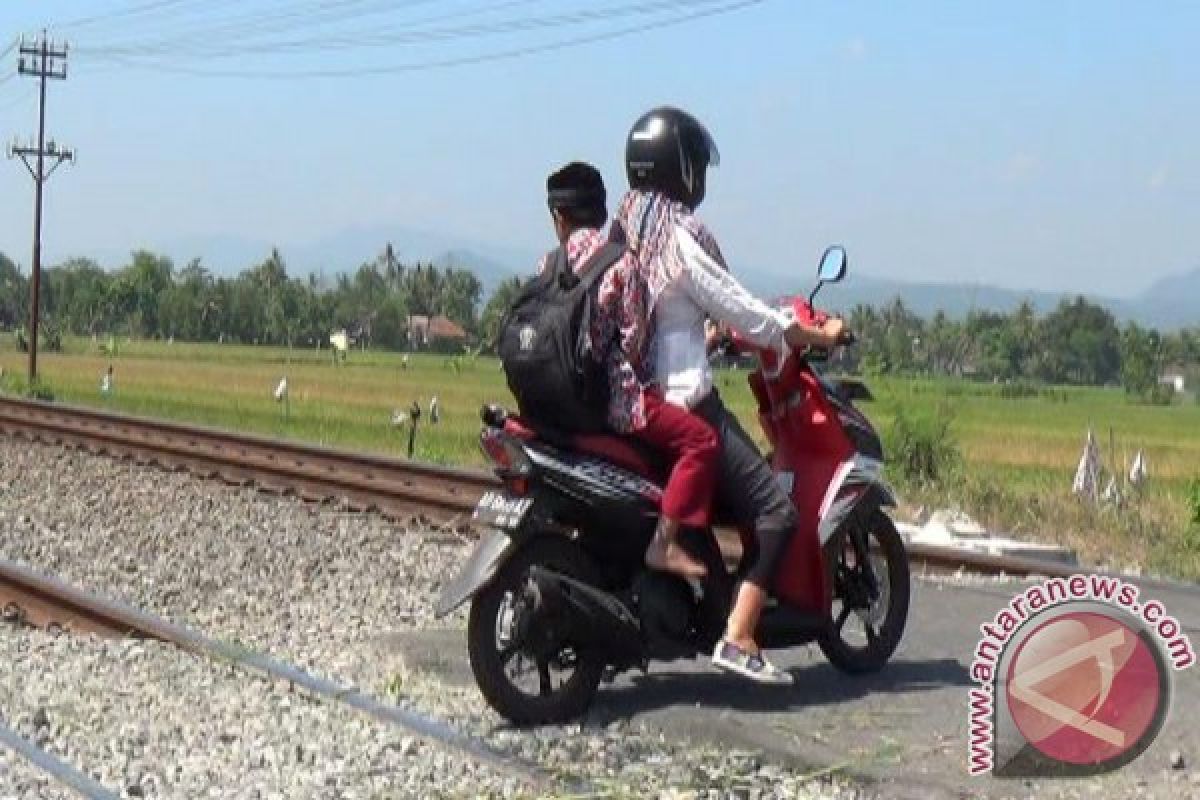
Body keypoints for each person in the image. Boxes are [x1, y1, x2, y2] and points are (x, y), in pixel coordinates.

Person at [613, 107, 846, 684]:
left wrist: (709, 336)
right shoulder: (681, 236)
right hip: (684, 402)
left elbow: (670, 321)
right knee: (775, 510)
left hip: (631, 399)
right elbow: (746, 310)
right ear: (683, 167)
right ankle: (740, 634)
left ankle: (712, 595)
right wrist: (819, 334)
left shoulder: (625, 227)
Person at [538, 161, 717, 579]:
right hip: (615, 404)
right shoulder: (621, 264)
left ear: (558, 218)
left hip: (558, 401)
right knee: (702, 441)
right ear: (603, 216)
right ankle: (664, 543)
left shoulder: (548, 264)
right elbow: (637, 344)